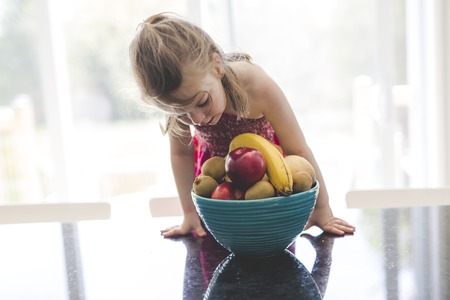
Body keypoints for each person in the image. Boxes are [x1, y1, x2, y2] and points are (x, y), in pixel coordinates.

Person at [129, 12, 355, 238]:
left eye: (203, 102)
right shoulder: (179, 98)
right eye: (181, 113)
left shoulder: (256, 85)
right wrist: (190, 213)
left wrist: (322, 208)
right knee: (219, 245)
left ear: (216, 66)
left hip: (268, 177)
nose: (196, 120)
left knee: (269, 244)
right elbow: (181, 155)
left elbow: (298, 148)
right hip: (216, 184)